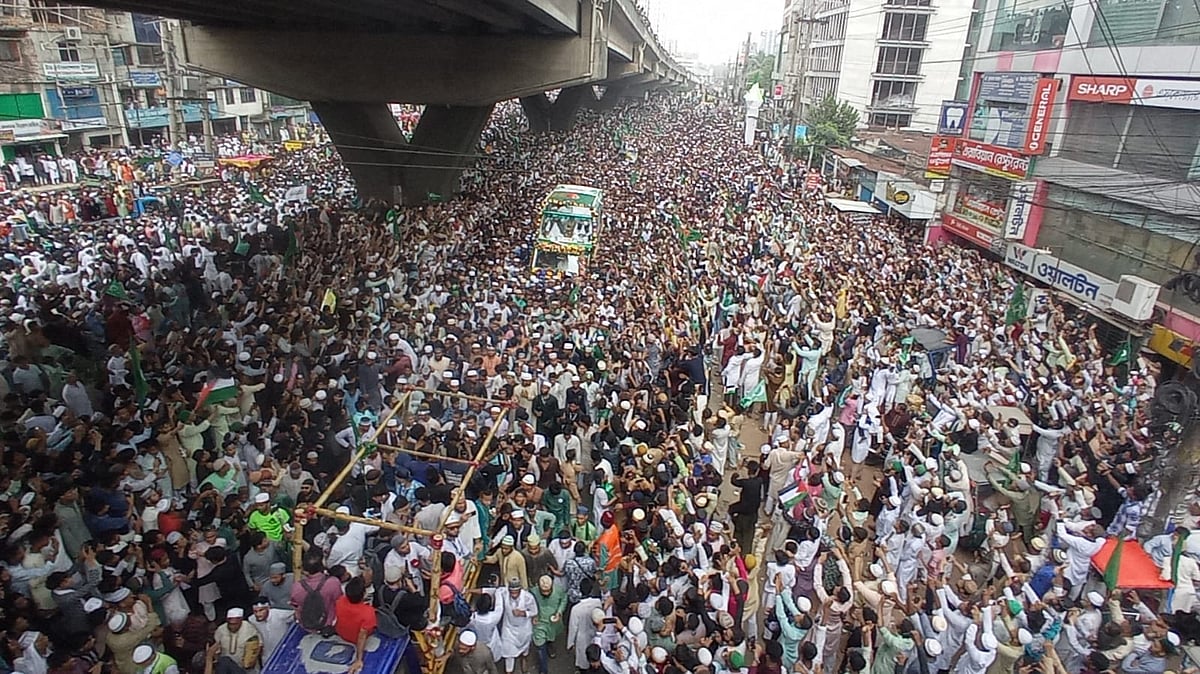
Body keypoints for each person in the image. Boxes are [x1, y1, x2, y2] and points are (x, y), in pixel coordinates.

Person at [333, 576, 377, 674]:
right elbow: (362, 636)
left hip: (342, 633)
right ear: (364, 594)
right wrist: (358, 659)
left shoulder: (340, 601)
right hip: (355, 638)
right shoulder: (368, 612)